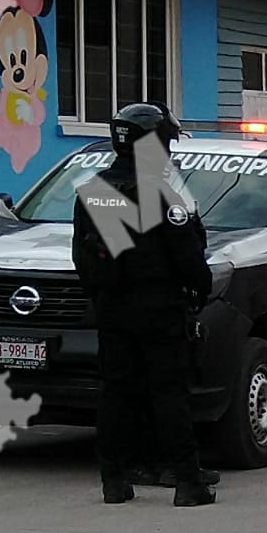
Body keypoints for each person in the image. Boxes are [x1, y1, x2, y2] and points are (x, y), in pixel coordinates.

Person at [72, 102, 217, 508]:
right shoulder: (162, 194)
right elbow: (188, 259)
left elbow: (82, 259)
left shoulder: (94, 191)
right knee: (169, 394)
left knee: (115, 393)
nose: (169, 151)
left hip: (113, 310)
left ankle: (114, 481)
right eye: (166, 142)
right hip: (159, 310)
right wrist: (201, 287)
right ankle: (188, 483)